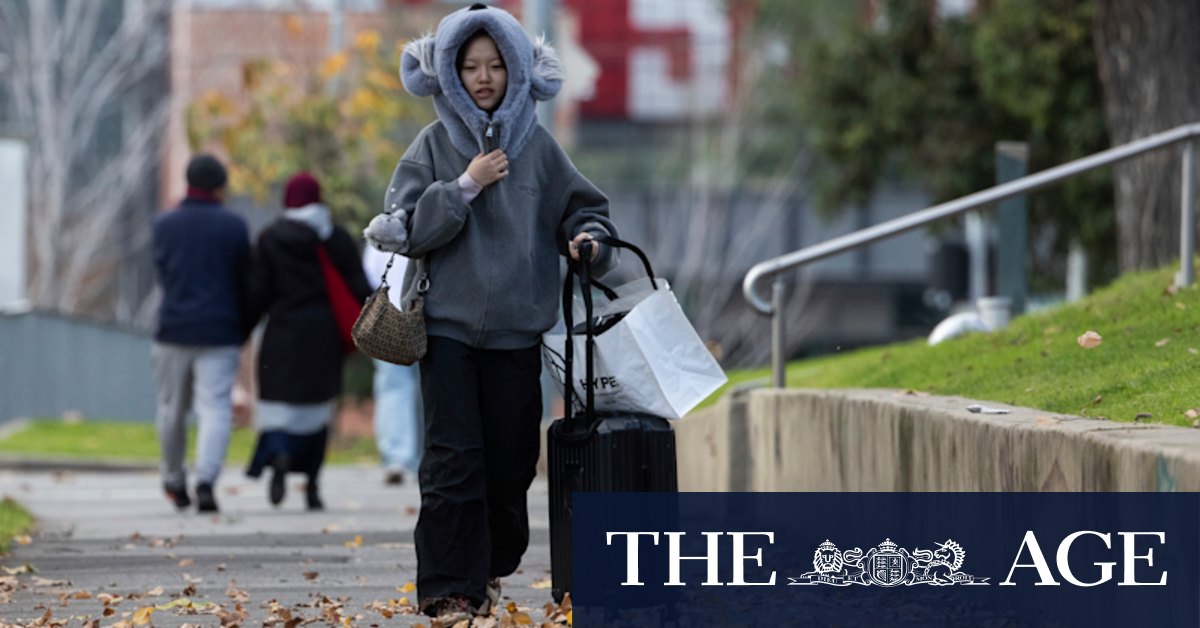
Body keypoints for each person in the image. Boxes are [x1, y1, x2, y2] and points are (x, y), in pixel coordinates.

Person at [363, 4, 618, 622]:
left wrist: (588, 242)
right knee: (453, 459)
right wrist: (465, 186)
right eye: (470, 66)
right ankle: (450, 588)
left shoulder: (541, 148)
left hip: (516, 335)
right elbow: (402, 230)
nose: (483, 77)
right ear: (448, 73)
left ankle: (492, 564)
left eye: (496, 65)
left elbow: (586, 212)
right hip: (446, 330)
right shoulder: (431, 145)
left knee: (509, 464)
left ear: (518, 71)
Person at [245, 172, 371, 511]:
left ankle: (280, 454)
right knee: (318, 412)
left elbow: (257, 293)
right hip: (324, 335)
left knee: (279, 408)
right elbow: (359, 287)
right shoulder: (337, 238)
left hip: (282, 334)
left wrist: (240, 329)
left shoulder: (270, 238)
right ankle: (313, 486)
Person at [152, 154, 251, 514]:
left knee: (171, 410)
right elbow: (245, 280)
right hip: (220, 329)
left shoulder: (164, 224)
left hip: (173, 329)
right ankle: (206, 481)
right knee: (215, 409)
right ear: (221, 187)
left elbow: (162, 273)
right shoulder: (234, 226)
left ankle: (174, 479)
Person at [362, 246, 424, 485]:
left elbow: (370, 274)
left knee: (393, 388)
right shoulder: (439, 218)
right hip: (429, 316)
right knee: (432, 387)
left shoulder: (387, 224)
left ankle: (397, 456)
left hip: (390, 318)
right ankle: (427, 454)